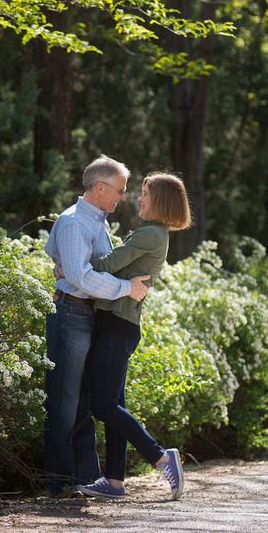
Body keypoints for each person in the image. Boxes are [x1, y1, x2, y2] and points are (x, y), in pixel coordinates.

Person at [74, 172, 192, 500]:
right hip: (117, 325)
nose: (139, 199)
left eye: (145, 193)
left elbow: (110, 263)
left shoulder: (151, 234)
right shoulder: (154, 233)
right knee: (114, 405)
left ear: (161, 202)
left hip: (117, 326)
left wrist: (72, 267)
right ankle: (113, 481)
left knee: (104, 406)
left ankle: (160, 457)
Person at [44, 155, 151, 498]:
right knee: (65, 400)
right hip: (73, 314)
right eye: (119, 190)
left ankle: (85, 480)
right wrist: (126, 289)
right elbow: (81, 275)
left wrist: (66, 268)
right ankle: (60, 482)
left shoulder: (98, 221)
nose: (123, 197)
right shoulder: (75, 221)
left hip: (90, 315)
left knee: (86, 402)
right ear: (100, 188)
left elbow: (55, 254)